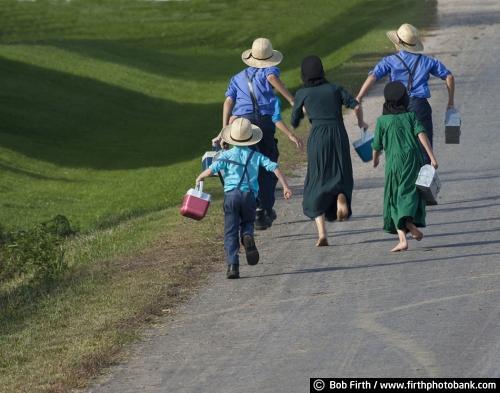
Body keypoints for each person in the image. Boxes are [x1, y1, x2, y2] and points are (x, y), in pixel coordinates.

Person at [213, 37, 296, 230]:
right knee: (267, 164)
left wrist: (225, 130)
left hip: (242, 124)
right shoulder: (269, 70)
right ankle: (263, 209)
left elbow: (227, 102)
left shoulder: (237, 77)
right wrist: (291, 99)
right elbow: (272, 79)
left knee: (246, 164)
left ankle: (252, 207)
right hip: (264, 123)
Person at [197, 118, 292, 279]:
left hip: (231, 196)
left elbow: (210, 170)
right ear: (251, 138)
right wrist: (285, 186)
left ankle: (233, 266)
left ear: (231, 138)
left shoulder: (226, 156)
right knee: (248, 222)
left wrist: (199, 178)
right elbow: (274, 167)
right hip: (249, 197)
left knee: (230, 231)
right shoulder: (256, 156)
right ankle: (247, 235)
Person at [291, 55, 367, 247]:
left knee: (316, 179)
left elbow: (294, 120)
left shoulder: (303, 93)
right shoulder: (335, 88)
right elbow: (356, 105)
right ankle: (341, 196)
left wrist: (302, 110)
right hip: (338, 133)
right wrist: (360, 122)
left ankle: (322, 233)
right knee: (340, 171)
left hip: (318, 135)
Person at [356, 23, 455, 164]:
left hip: (396, 108)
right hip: (420, 107)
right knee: (424, 149)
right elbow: (449, 77)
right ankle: (424, 180)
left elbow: (373, 76)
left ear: (399, 43)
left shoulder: (390, 61)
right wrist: (450, 102)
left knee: (399, 146)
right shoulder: (427, 61)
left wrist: (359, 97)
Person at [372, 81, 438, 252]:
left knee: (394, 197)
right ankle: (408, 227)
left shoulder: (382, 121)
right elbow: (421, 135)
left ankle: (404, 235)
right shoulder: (411, 116)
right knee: (408, 195)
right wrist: (431, 157)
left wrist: (375, 160)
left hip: (394, 162)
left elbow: (376, 145)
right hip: (413, 160)